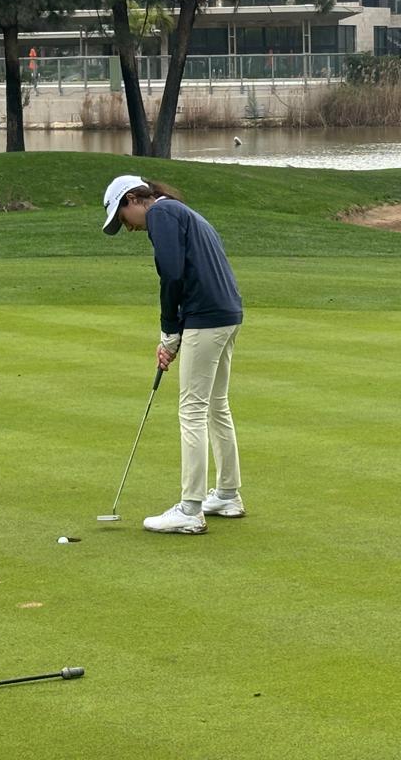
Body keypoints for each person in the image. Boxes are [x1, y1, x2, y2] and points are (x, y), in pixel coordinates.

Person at [101, 174, 244, 534]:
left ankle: (190, 509)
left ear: (133, 199)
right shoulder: (183, 212)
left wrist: (169, 332)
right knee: (216, 405)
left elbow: (172, 275)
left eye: (122, 216)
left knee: (192, 409)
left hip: (206, 317)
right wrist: (175, 332)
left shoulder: (161, 214)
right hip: (227, 314)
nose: (127, 226)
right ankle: (227, 495)